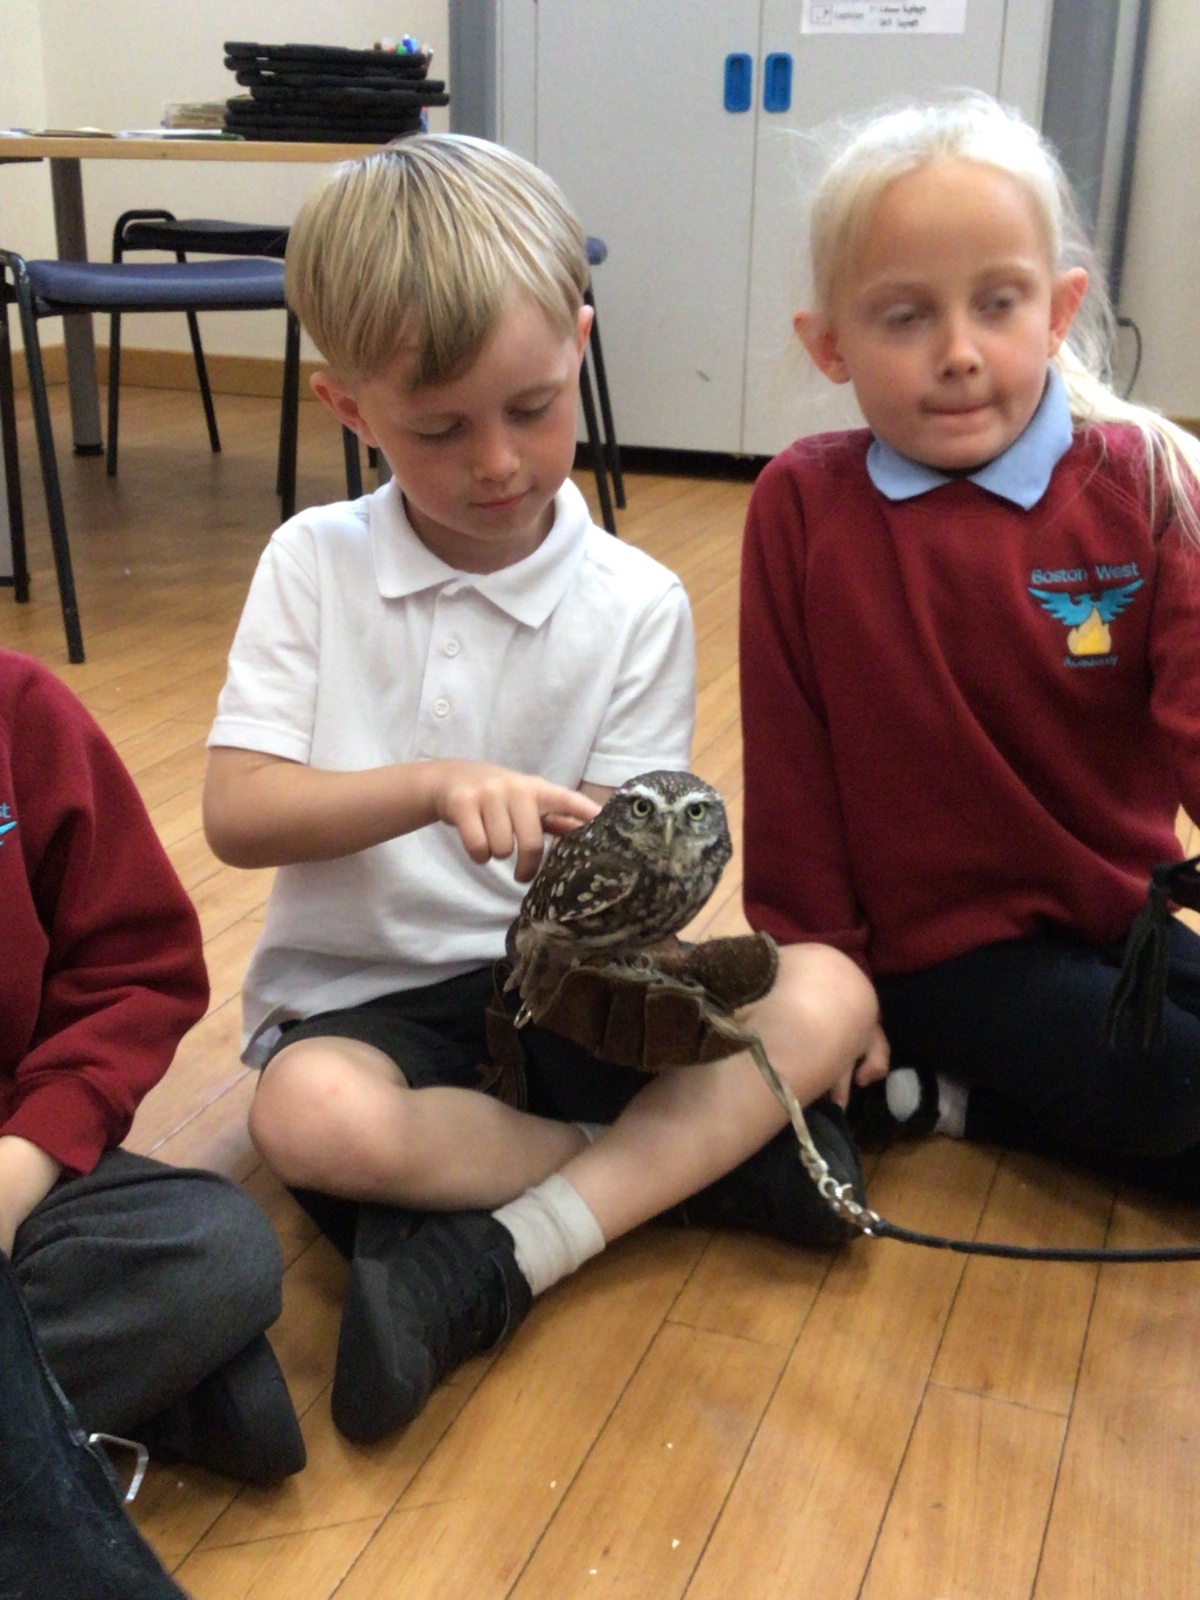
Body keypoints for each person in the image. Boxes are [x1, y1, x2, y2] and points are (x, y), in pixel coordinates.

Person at [202, 133, 880, 1443]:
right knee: (309, 1117)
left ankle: (529, 1231)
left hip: (559, 989)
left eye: (533, 407)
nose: (500, 461)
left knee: (834, 991)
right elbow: (238, 813)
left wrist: (602, 869)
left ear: (580, 343)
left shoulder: (637, 599)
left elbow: (635, 892)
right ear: (349, 408)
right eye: (438, 429)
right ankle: (671, 1177)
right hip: (359, 1005)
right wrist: (432, 785)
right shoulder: (311, 564)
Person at [740, 91, 1200, 1202]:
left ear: (1058, 310)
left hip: (1118, 926)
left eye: (997, 305)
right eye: (904, 317)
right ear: (829, 343)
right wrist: (825, 986)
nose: (957, 354)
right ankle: (954, 1092)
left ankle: (939, 1101)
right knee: (1179, 1085)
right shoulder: (801, 507)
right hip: (933, 959)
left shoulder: (1149, 484)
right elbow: (791, 782)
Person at [1, 647, 304, 1489]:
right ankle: (155, 1395)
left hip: (19, 1157)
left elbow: (132, 967)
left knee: (218, 1250)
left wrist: (23, 1162)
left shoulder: (20, 709)